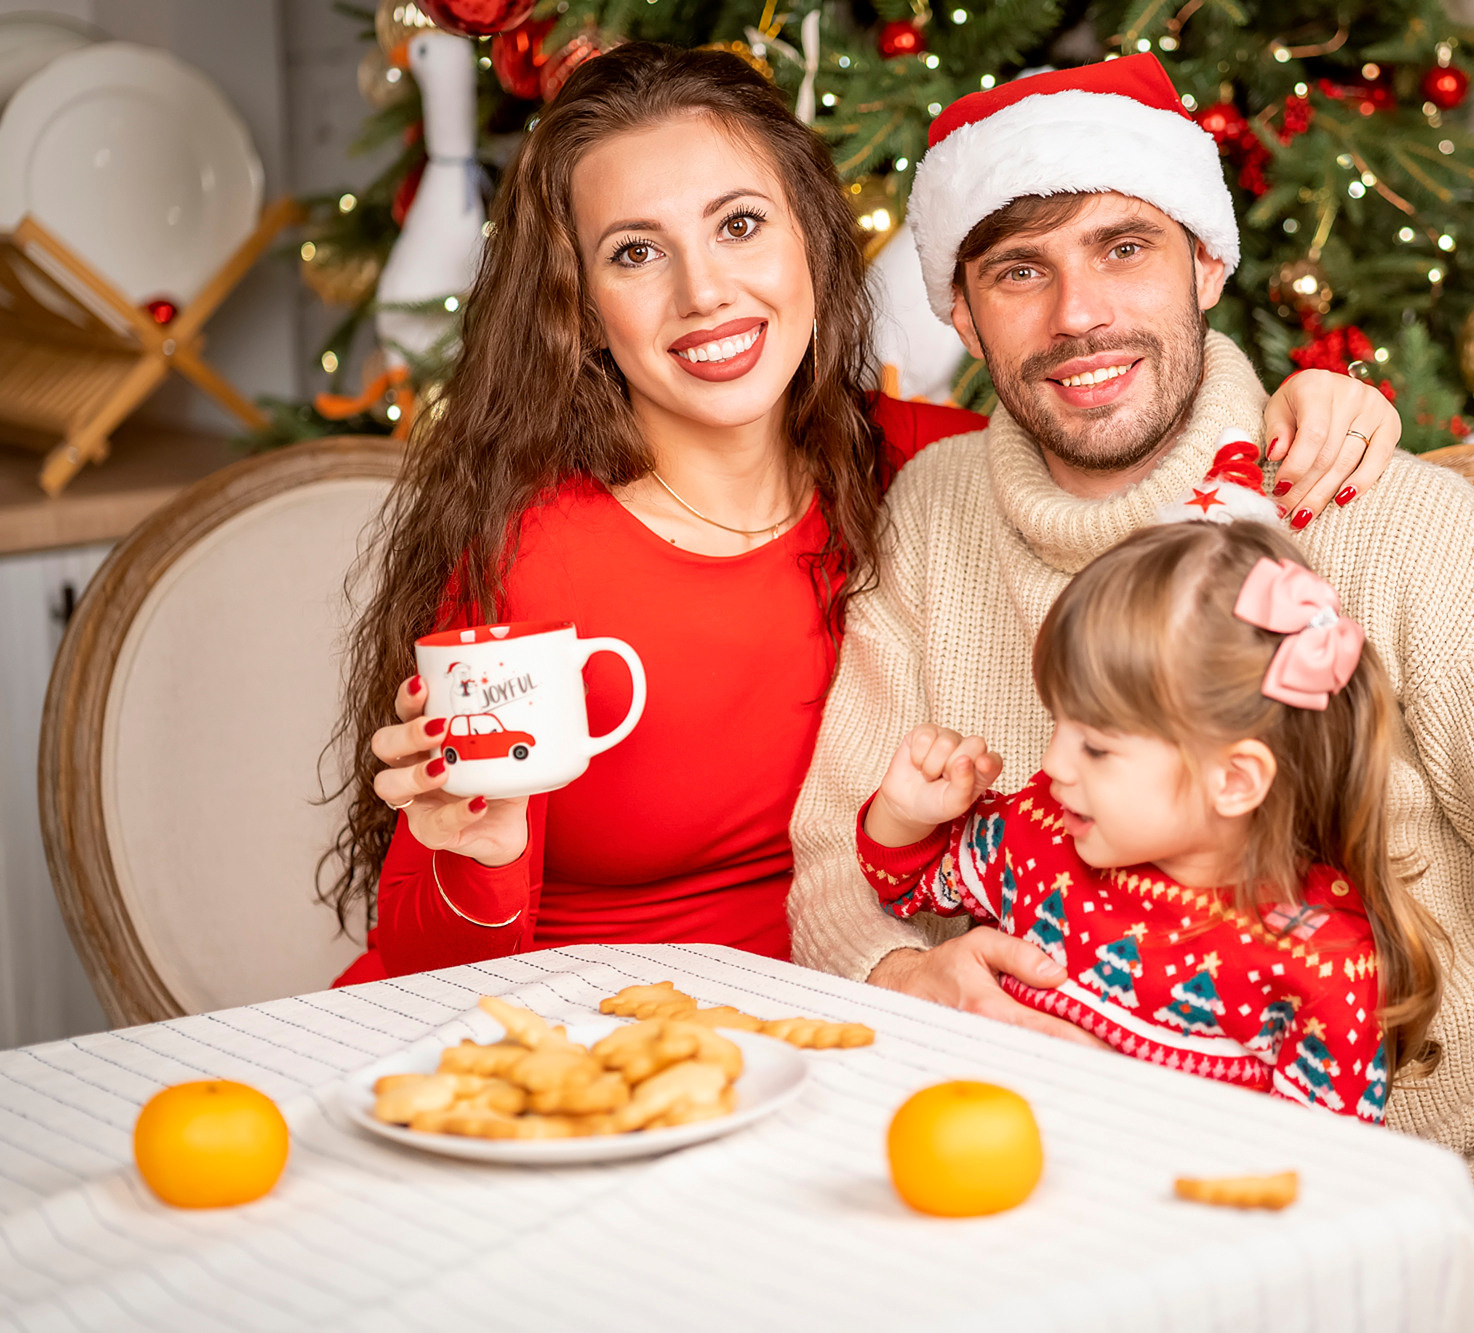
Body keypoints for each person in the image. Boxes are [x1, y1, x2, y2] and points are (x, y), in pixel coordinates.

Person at [786, 53, 1474, 1253]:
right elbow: (833, 853)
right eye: (1020, 270)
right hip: (1048, 1182)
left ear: (1206, 265)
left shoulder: (1373, 511)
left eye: (1123, 247)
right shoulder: (932, 512)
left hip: (1408, 1193)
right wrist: (897, 978)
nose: (1076, 316)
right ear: (960, 312)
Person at [324, 44, 1390, 982]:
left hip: (829, 1045)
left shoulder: (924, 470)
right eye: (635, 252)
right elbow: (425, 970)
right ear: (579, 307)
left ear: (811, 245)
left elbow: (1127, 449)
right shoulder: (532, 547)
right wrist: (474, 847)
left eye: (739, 225)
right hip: (565, 1042)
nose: (703, 293)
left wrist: (1294, 399)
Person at [856, 512, 1446, 1121]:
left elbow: (1321, 1178)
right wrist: (905, 816)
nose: (1053, 761)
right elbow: (905, 884)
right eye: (1059, 721)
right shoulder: (1041, 831)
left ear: (1234, 781)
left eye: (1097, 746)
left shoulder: (1324, 961)